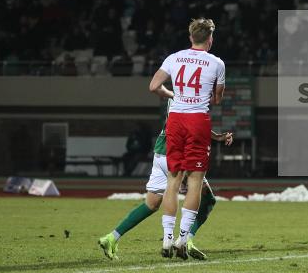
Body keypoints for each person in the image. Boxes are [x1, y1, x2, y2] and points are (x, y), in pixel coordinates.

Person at [98, 100, 234, 261]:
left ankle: (111, 237)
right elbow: (192, 125)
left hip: (160, 154)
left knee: (151, 204)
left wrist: (216, 136)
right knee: (206, 197)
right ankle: (185, 240)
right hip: (178, 154)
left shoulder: (178, 97)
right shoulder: (193, 98)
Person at [148, 18, 225, 260]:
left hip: (176, 121)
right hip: (197, 121)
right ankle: (182, 238)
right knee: (195, 181)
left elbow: (154, 86)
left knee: (173, 180)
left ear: (191, 37)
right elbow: (217, 99)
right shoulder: (217, 63)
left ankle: (166, 238)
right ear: (210, 39)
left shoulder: (174, 58)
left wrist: (173, 94)